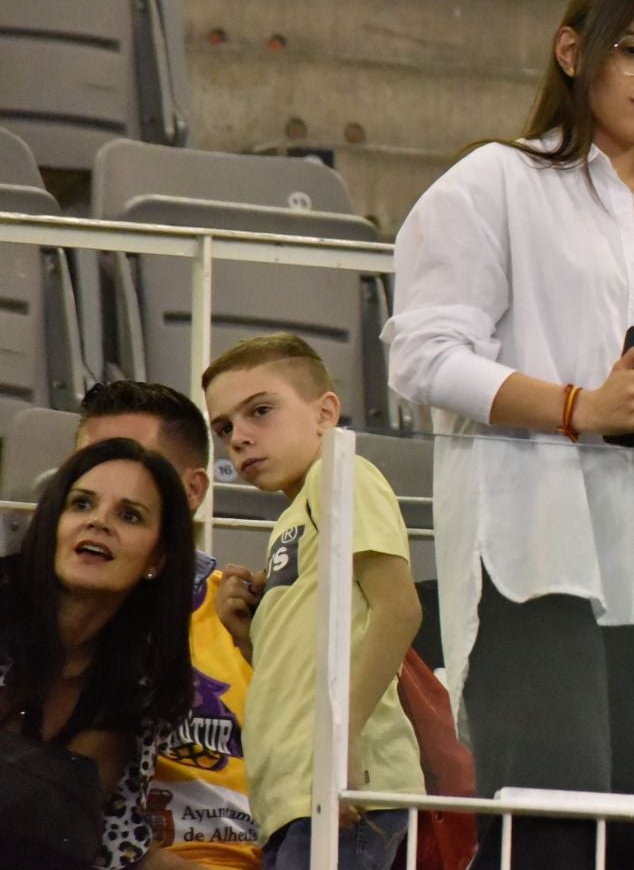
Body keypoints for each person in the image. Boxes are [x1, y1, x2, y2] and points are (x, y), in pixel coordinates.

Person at [383, 0, 634, 869]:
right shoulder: (496, 182)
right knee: (550, 819)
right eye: (633, 50)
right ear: (573, 50)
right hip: (534, 540)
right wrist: (577, 407)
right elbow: (423, 356)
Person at [203, 334, 424, 870]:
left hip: (337, 786)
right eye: (224, 428)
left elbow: (399, 609)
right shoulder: (292, 518)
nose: (240, 438)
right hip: (294, 795)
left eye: (260, 411)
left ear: (326, 411)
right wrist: (248, 637)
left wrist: (342, 738)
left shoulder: (340, 471)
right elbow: (304, 671)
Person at [73, 381, 261, 869]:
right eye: (87, 473)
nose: (108, 495)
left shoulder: (250, 616)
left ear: (193, 490)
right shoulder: (35, 623)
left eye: (136, 470)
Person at [0, 437, 196, 870]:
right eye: (81, 505)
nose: (99, 523)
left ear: (158, 558)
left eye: (129, 515)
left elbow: (111, 847)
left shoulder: (139, 689)